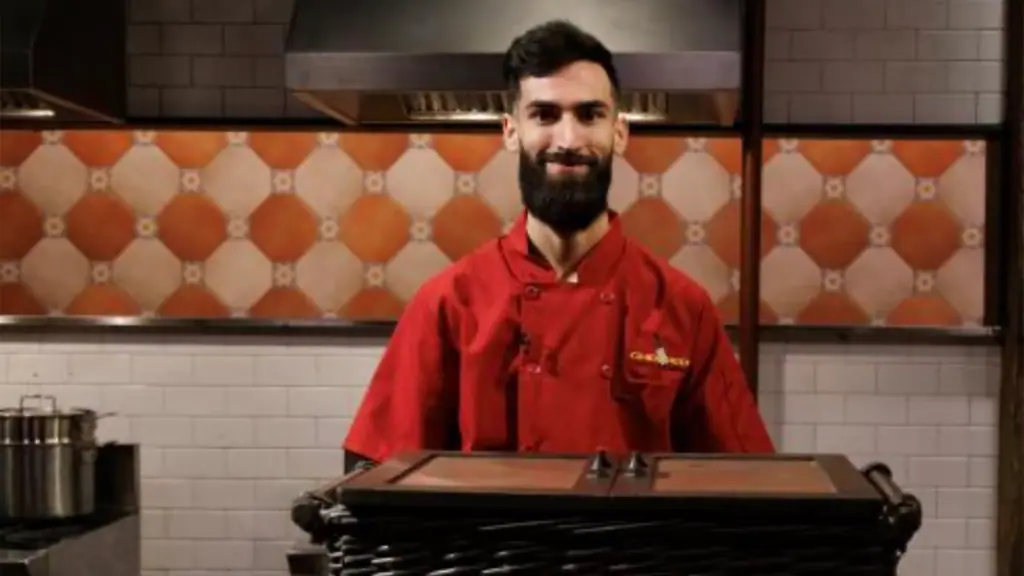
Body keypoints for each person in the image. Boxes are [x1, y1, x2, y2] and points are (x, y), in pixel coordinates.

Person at [343, 20, 774, 469]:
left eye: (589, 115)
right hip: (486, 542)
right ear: (511, 131)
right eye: (545, 115)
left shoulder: (683, 308)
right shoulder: (449, 304)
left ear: (619, 132)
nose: (568, 141)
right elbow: (378, 474)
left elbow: (743, 478)